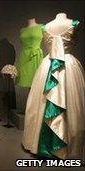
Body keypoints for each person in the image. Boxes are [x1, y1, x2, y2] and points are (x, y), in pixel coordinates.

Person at [22, 13, 85, 161]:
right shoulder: (71, 24)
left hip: (51, 66)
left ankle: (47, 144)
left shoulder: (48, 26)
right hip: (67, 65)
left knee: (46, 103)